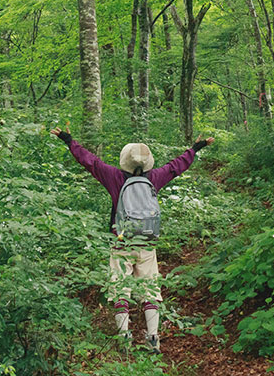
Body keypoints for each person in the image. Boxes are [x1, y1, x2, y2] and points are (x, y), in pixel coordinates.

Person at [51, 127, 213, 353]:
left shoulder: (114, 177)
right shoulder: (154, 177)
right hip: (147, 242)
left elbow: (90, 162)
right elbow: (176, 166)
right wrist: (196, 148)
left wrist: (68, 140)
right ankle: (153, 338)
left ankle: (125, 339)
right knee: (150, 290)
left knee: (120, 289)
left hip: (121, 241)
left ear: (124, 160)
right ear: (148, 163)